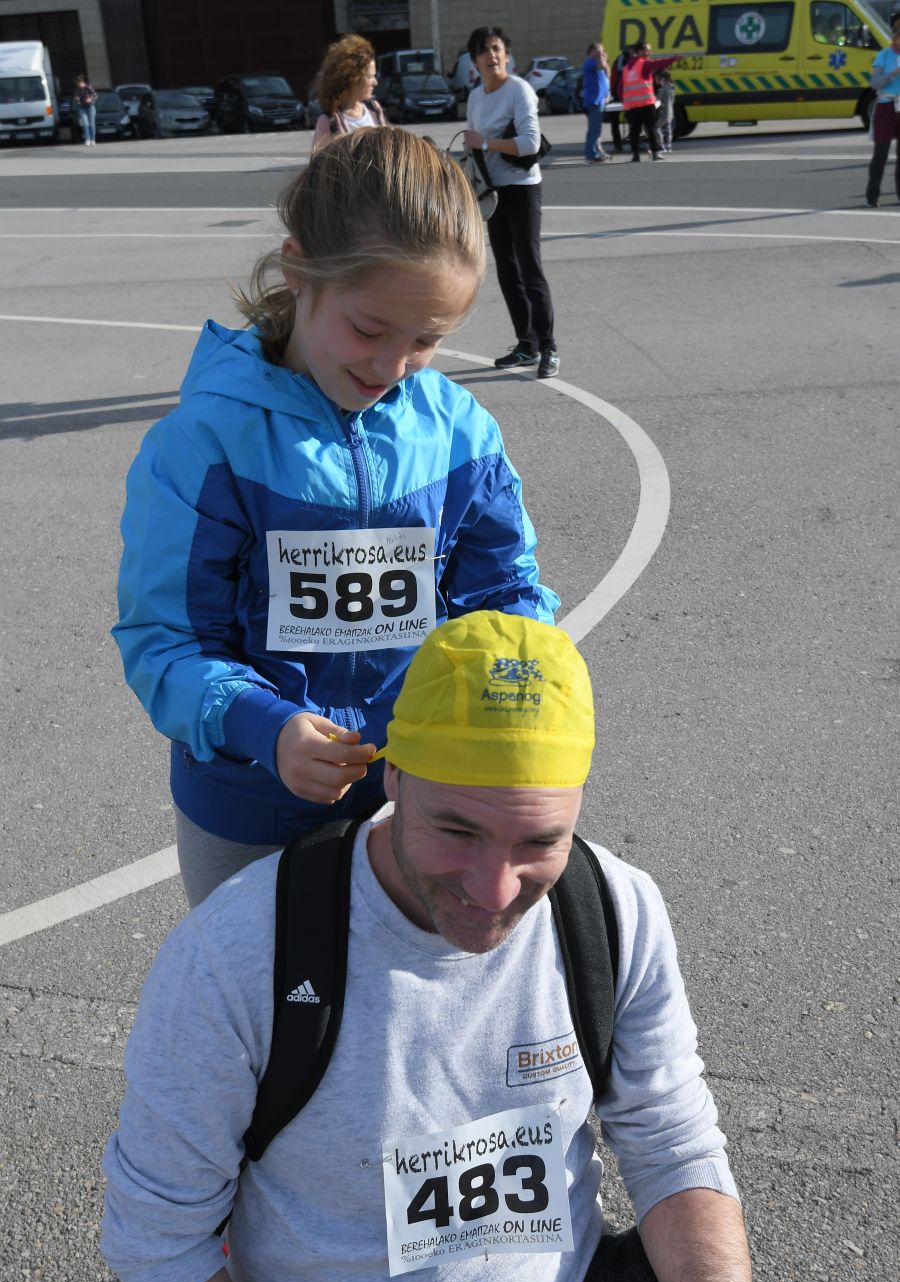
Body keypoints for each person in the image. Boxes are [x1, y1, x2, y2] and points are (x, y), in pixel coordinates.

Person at [101, 610, 783, 1282]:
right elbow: (159, 1235)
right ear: (394, 777)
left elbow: (671, 1141)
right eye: (456, 831)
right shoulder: (238, 955)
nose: (494, 892)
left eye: (538, 842)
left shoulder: (614, 911)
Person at [112, 128, 558, 909]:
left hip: (420, 795)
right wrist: (266, 728)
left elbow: (506, 598)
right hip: (251, 803)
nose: (392, 368)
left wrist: (514, 693)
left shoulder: (459, 432)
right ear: (298, 270)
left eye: (427, 341)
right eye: (369, 329)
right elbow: (167, 642)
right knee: (263, 1012)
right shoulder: (208, 443)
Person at [464, 25, 560, 380]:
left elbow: (531, 143)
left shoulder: (519, 90)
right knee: (506, 270)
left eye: (496, 49)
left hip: (522, 188)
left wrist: (487, 143)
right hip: (493, 193)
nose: (491, 56)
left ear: (506, 55)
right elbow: (472, 143)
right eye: (484, 51)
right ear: (475, 60)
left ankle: (548, 346)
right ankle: (526, 344)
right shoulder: (476, 97)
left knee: (530, 267)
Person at [311, 33, 385, 150]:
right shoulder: (329, 121)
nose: (375, 82)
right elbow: (318, 165)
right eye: (370, 76)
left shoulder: (375, 110)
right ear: (352, 78)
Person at [621, 42, 683, 162]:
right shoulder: (643, 64)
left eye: (649, 50)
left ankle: (635, 155)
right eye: (646, 50)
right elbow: (659, 63)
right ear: (639, 52)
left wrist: (624, 100)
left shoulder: (627, 67)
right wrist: (674, 59)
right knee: (652, 129)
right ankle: (656, 153)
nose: (649, 53)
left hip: (632, 106)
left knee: (634, 131)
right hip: (645, 103)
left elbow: (621, 86)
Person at [865, 17, 900, 207]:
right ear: (895, 37)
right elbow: (874, 84)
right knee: (881, 153)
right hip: (887, 105)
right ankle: (872, 196)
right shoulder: (884, 55)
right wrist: (893, 74)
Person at [581, 41, 612, 163]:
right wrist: (602, 59)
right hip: (593, 102)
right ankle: (590, 155)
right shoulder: (590, 62)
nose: (601, 53)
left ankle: (594, 152)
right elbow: (601, 66)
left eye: (602, 50)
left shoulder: (599, 63)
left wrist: (605, 60)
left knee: (595, 130)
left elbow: (607, 74)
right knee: (594, 130)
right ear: (591, 52)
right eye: (598, 50)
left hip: (600, 101)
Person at [656, 67, 676, 154]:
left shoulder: (662, 90)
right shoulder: (672, 89)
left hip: (663, 112)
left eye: (659, 80)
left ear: (663, 80)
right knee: (668, 129)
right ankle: (669, 146)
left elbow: (657, 101)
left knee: (657, 128)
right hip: (670, 113)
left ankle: (661, 146)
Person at [73, 73, 97, 146]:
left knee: (92, 124)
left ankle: (93, 139)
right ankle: (88, 139)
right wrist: (77, 100)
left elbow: (95, 95)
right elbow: (76, 98)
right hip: (82, 108)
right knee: (85, 124)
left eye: (79, 83)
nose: (78, 85)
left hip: (90, 107)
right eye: (77, 83)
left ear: (82, 82)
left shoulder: (88, 87)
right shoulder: (77, 90)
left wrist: (91, 99)